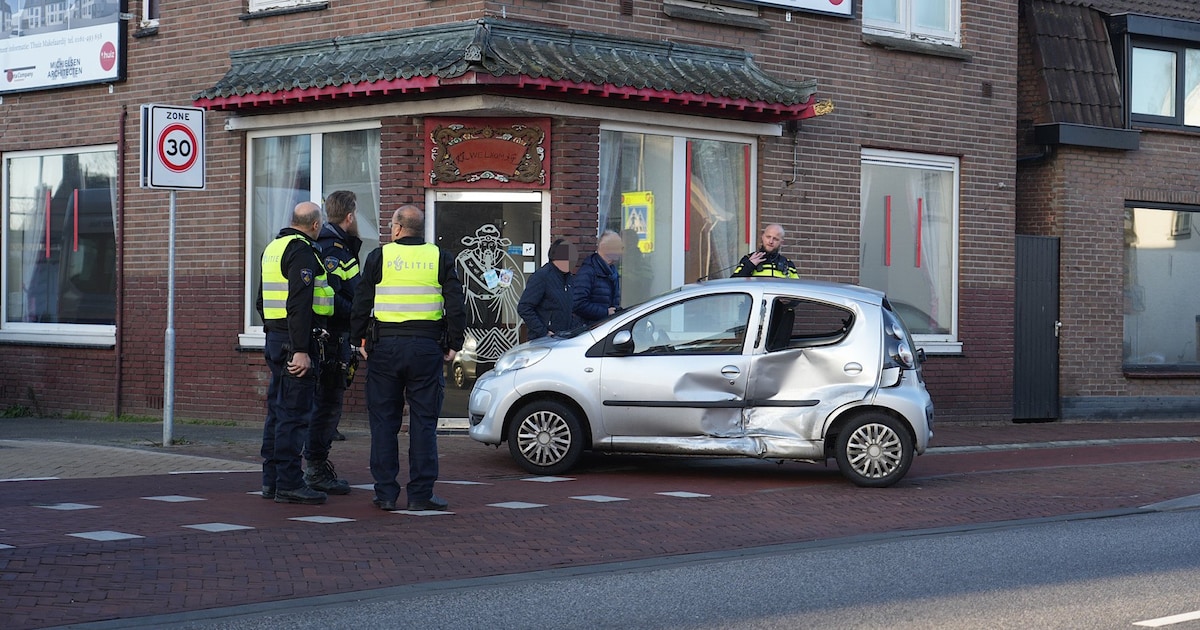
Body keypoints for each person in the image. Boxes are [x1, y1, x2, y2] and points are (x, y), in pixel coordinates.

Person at [350, 205, 466, 512]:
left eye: (391, 225)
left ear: (399, 228)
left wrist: (357, 338)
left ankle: (385, 493)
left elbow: (362, 300)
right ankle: (420, 493)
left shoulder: (379, 257)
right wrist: (454, 342)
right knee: (423, 422)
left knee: (384, 422)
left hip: (384, 348)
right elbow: (455, 303)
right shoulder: (440, 257)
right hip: (426, 348)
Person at [257, 201, 335, 505]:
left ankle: (272, 481)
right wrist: (301, 349)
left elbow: (262, 301)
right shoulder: (302, 250)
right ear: (315, 225)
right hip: (295, 344)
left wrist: (273, 333)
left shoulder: (273, 248)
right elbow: (299, 303)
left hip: (277, 339)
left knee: (277, 413)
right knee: (294, 414)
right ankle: (289, 483)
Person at [302, 190, 361, 496]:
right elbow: (333, 296)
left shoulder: (327, 245)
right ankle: (315, 468)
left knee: (323, 405)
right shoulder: (334, 249)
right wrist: (359, 314)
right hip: (332, 338)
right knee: (326, 406)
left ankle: (312, 465)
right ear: (349, 216)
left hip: (330, 338)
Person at [518, 238, 579, 339]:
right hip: (544, 341)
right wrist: (543, 332)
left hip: (564, 339)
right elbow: (524, 308)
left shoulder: (569, 279)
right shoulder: (542, 276)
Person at [573, 230, 624, 323]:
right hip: (591, 331)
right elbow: (577, 304)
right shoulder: (588, 271)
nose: (621, 251)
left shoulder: (613, 272)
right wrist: (605, 312)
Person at [731, 223, 800, 278]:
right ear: (763, 237)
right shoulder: (749, 259)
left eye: (775, 239)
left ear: (781, 242)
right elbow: (733, 284)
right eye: (768, 237)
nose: (770, 241)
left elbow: (796, 289)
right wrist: (749, 265)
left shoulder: (788, 264)